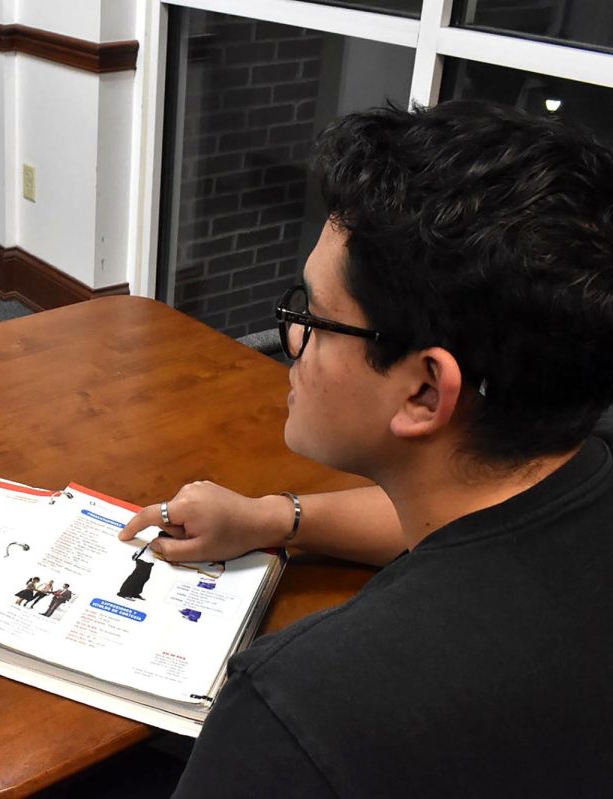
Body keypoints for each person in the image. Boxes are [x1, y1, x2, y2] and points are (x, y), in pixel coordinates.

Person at [120, 101, 613, 795]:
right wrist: (274, 517)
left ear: (423, 391)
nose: (292, 340)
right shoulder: (581, 462)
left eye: (315, 321)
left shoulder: (301, 708)